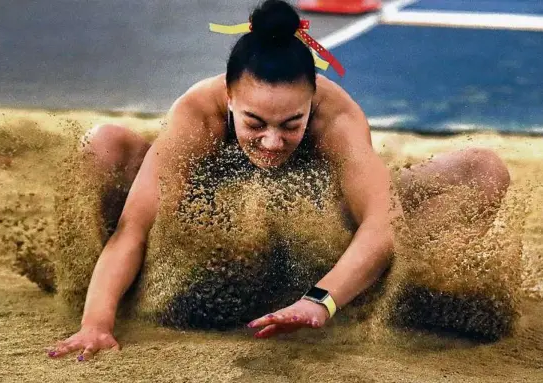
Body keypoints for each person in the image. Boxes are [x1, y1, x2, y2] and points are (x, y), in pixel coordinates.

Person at [47, 0, 510, 361]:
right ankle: (104, 289)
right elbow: (134, 228)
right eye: (255, 124)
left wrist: (321, 302)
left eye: (291, 124)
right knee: (103, 144)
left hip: (317, 257)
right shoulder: (196, 113)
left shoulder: (338, 117)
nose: (271, 142)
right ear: (229, 98)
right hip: (197, 251)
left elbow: (382, 224)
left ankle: (380, 295)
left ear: (312, 101)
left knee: (482, 170)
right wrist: (97, 323)